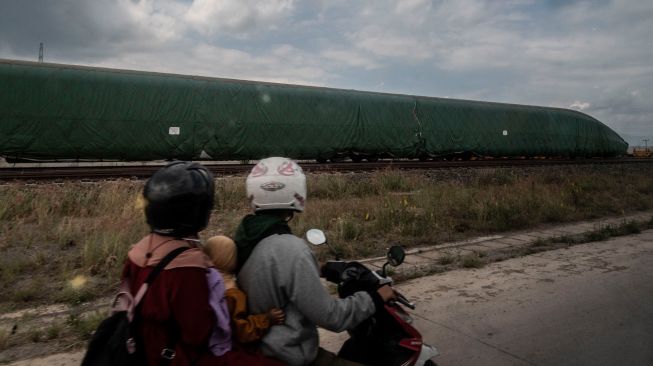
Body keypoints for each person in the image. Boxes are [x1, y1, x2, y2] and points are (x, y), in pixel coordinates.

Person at [235, 157, 395, 366]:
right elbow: (332, 317)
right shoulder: (292, 249)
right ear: (297, 191)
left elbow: (270, 269)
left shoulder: (243, 238)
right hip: (289, 356)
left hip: (256, 350)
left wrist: (320, 267)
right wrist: (375, 298)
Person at [122, 161, 282, 366]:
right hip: (178, 357)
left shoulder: (138, 251)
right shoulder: (187, 266)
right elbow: (198, 334)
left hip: (142, 347)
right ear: (196, 212)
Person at [204, 235, 285, 344]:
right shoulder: (233, 294)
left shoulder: (201, 279)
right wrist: (267, 319)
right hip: (224, 346)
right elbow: (242, 332)